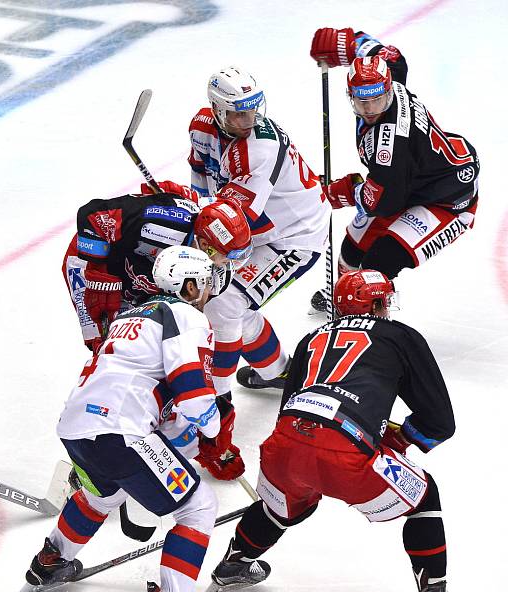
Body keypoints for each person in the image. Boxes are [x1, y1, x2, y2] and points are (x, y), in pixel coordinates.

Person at [205, 269, 474, 592]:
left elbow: (287, 406)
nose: (387, 308)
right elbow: (440, 422)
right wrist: (400, 438)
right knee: (424, 497)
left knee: (285, 504)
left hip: (285, 442)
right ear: (375, 303)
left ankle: (234, 563)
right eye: (383, 302)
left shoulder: (311, 337)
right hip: (346, 451)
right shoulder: (399, 336)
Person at [22, 246, 236, 592]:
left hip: (76, 429)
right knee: (198, 507)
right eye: (203, 282)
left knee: (100, 496)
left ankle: (50, 561)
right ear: (186, 286)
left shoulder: (130, 315)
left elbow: (153, 394)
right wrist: (216, 435)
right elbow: (194, 394)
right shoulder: (185, 316)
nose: (208, 291)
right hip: (122, 430)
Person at [63, 191, 252, 480]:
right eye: (228, 256)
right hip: (94, 272)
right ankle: (94, 454)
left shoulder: (213, 272)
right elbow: (92, 213)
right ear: (205, 245)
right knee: (111, 353)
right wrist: (98, 272)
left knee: (160, 358)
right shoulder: (161, 221)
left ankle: (168, 441)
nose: (230, 264)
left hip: (142, 282)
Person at [181, 64, 331, 391]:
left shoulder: (260, 149)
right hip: (251, 228)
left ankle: (214, 401)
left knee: (223, 304)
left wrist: (186, 220)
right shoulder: (201, 128)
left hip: (295, 235)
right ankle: (278, 371)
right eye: (237, 114)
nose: (247, 121)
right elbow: (202, 186)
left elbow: (231, 220)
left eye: (252, 110)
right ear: (216, 110)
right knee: (231, 305)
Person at [308, 28, 479, 312]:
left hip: (447, 200)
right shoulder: (389, 80)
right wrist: (349, 43)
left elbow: (383, 202)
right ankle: (344, 301)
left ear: (386, 90)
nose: (371, 107)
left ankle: (373, 326)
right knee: (352, 248)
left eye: (376, 99)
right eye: (363, 100)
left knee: (378, 264)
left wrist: (345, 191)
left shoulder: (388, 149)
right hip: (416, 180)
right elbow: (393, 57)